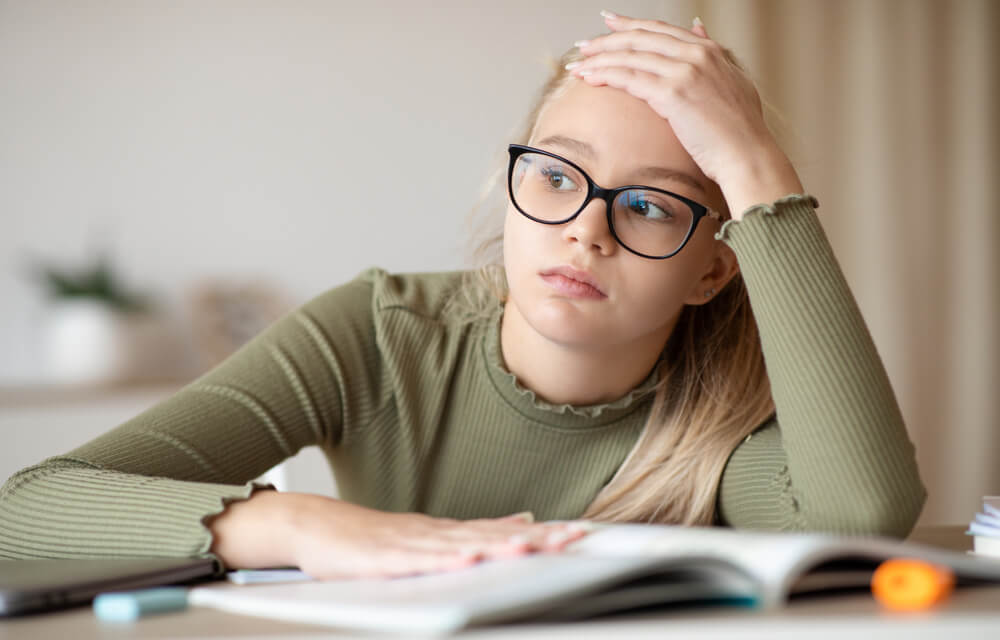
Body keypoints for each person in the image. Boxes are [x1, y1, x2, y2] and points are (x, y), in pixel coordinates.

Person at [0, 11, 925, 579]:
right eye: (559, 177)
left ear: (714, 267)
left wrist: (759, 172)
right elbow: (26, 509)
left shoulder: (720, 408)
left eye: (649, 206)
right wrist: (297, 523)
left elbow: (860, 514)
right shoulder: (377, 332)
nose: (586, 230)